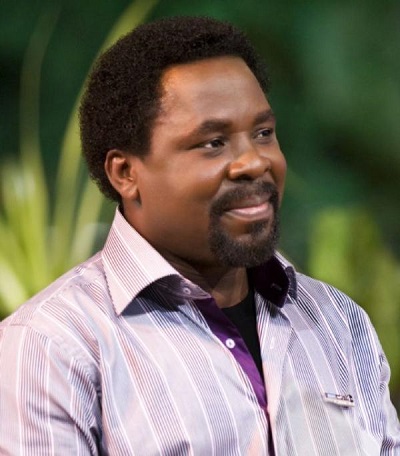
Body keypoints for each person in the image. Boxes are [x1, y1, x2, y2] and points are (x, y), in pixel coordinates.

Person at [0, 15, 399, 455]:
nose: (254, 162)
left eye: (263, 133)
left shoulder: (338, 323)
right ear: (125, 173)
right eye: (213, 143)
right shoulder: (53, 348)